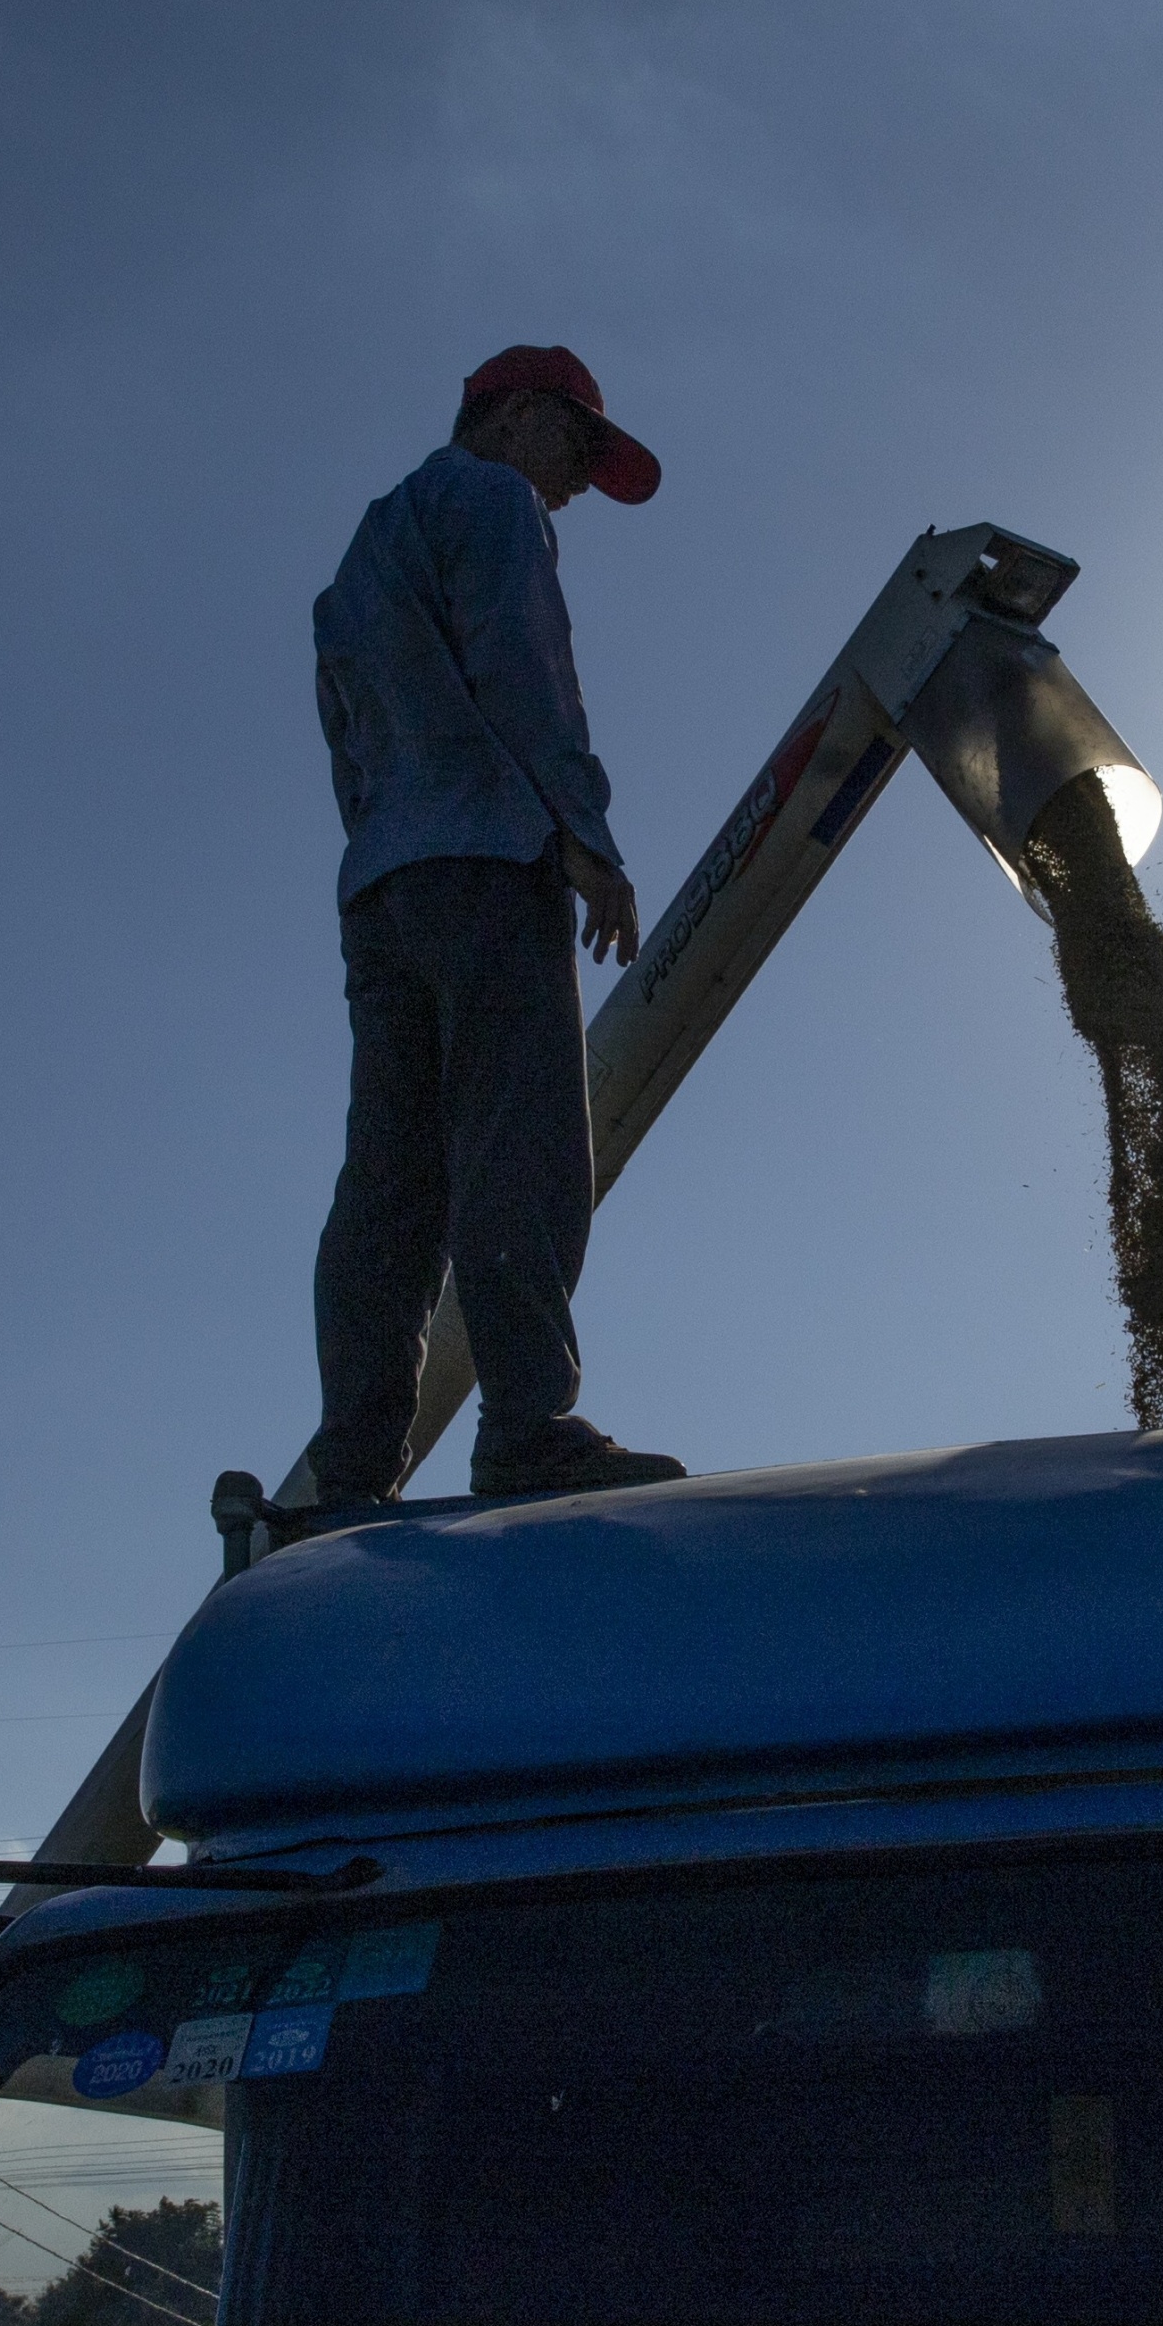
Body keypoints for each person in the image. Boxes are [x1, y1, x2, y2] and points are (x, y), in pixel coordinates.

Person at [292, 345, 696, 1513]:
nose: (572, 481)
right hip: (485, 858)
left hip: (383, 887)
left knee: (390, 1183)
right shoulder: (494, 500)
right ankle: (528, 1425)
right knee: (518, 1148)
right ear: (517, 416)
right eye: (575, 445)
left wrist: (384, 864)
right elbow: (527, 668)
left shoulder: (367, 547)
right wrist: (588, 839)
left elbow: (347, 741)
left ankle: (353, 1464)